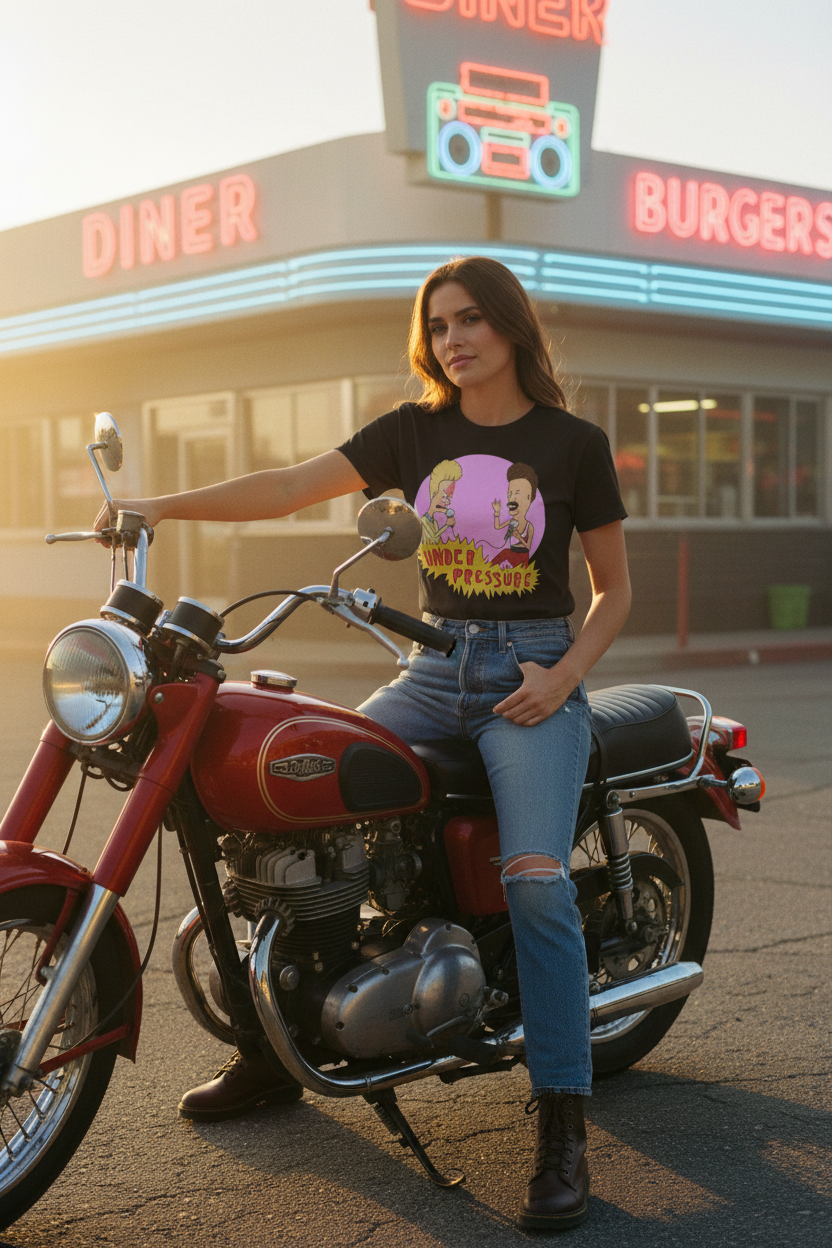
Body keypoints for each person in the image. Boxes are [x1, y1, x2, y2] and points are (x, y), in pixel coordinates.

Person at [96, 256, 631, 1231]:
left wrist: (560, 679)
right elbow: (293, 486)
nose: (452, 340)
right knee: (292, 795)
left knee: (535, 880)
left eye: (470, 320)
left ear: (510, 326)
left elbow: (613, 591)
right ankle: (274, 1050)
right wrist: (160, 507)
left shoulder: (571, 442)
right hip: (434, 670)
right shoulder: (413, 430)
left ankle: (561, 1122)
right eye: (437, 326)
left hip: (532, 674)